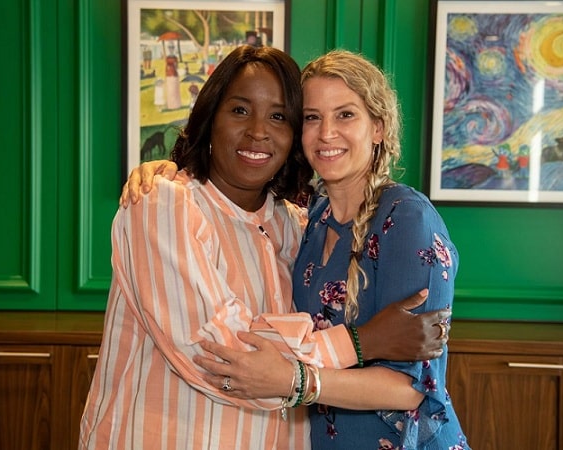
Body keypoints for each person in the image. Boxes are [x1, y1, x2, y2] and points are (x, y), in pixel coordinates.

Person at [91, 45, 451, 449]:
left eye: (279, 116)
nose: (259, 131)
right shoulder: (173, 205)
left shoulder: (348, 221)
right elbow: (224, 358)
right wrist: (361, 342)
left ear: (378, 127)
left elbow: (414, 385)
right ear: (210, 119)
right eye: (312, 117)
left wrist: (299, 378)